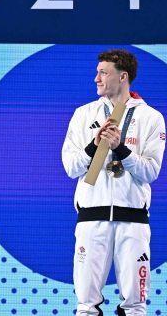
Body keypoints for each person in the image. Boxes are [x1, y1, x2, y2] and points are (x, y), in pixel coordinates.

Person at [62, 49, 165, 316]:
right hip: (91, 220)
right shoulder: (83, 114)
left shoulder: (151, 118)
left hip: (133, 222)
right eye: (97, 72)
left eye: (103, 72)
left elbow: (151, 171)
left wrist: (121, 150)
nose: (96, 78)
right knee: (86, 306)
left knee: (135, 306)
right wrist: (94, 146)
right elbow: (70, 167)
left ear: (123, 77)